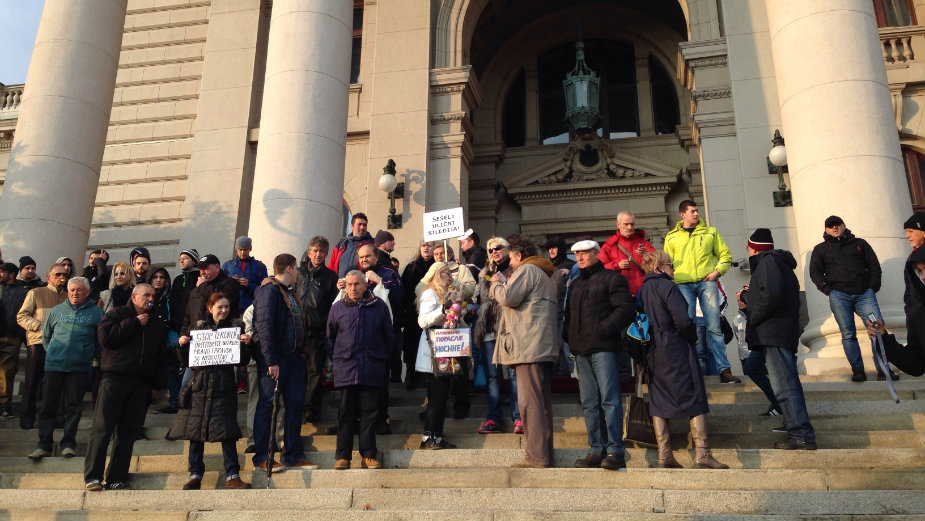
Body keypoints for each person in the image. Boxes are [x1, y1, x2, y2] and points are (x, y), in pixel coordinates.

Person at [639, 250, 728, 469]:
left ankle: (664, 455)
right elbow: (683, 319)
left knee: (659, 399)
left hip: (653, 349)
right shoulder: (668, 287)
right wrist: (692, 340)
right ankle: (702, 454)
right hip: (675, 345)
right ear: (660, 267)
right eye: (670, 265)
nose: (674, 269)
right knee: (695, 394)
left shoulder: (643, 289)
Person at [736, 228, 817, 450]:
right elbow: (768, 295)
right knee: (782, 382)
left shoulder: (768, 263)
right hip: (776, 332)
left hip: (774, 333)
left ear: (754, 248)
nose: (748, 251)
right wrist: (748, 298)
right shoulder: (776, 264)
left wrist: (753, 314)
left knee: (785, 385)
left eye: (749, 247)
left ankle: (801, 434)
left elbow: (769, 297)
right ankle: (796, 429)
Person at [84, 284, 169, 491]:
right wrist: (134, 323)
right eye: (146, 295)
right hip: (114, 379)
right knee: (102, 430)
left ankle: (116, 478)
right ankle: (93, 477)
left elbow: (161, 355)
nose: (150, 298)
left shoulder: (157, 322)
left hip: (140, 385)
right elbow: (106, 338)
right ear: (134, 297)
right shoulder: (117, 314)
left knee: (127, 434)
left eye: (153, 295)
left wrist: (156, 385)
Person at [168, 292, 253, 490]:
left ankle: (232, 474)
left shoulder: (235, 328)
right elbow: (186, 360)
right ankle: (195, 474)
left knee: (227, 433)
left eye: (226, 307)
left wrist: (246, 345)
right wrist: (182, 346)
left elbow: (242, 360)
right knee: (195, 433)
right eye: (219, 307)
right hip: (199, 387)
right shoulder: (197, 328)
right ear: (210, 308)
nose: (223, 311)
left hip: (223, 387)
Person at [489, 235, 559, 468]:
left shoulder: (527, 271)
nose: (510, 264)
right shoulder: (545, 274)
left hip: (529, 345)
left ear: (519, 255)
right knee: (541, 404)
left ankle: (536, 457)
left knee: (530, 404)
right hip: (539, 345)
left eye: (511, 258)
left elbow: (508, 297)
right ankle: (544, 455)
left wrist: (495, 284)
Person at [564, 240, 634, 470]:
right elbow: (568, 316)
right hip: (580, 350)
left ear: (596, 253)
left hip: (604, 348)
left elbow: (625, 310)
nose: (580, 257)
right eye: (576, 254)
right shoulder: (574, 284)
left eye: (584, 253)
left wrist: (603, 329)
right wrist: (569, 337)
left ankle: (615, 450)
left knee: (610, 400)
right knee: (589, 403)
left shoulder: (612, 278)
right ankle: (596, 449)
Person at [251, 253, 318, 471]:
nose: (299, 272)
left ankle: (294, 453)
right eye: (297, 268)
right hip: (276, 359)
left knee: (296, 403)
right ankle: (263, 455)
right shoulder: (269, 291)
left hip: (294, 358)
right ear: (289, 269)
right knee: (269, 405)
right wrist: (271, 360)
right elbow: (265, 326)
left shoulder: (288, 293)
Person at [809, 215, 895, 381]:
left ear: (844, 225)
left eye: (838, 224)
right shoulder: (820, 249)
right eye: (831, 226)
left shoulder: (859, 244)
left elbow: (874, 266)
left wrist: (872, 288)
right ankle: (858, 370)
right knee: (848, 334)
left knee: (877, 328)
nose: (835, 228)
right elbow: (815, 272)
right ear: (826, 229)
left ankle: (883, 369)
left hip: (864, 295)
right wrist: (828, 290)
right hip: (839, 296)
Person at [664, 200, 740, 384]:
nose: (697, 214)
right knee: (687, 327)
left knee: (714, 327)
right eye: (692, 211)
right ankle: (689, 369)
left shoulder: (710, 232)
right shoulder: (671, 237)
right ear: (682, 214)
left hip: (707, 282)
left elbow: (726, 256)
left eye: (697, 211)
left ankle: (724, 370)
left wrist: (717, 272)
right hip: (683, 284)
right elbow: (667, 264)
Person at [28, 277, 103, 460]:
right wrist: (55, 352)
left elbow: (100, 341)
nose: (75, 293)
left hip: (79, 367)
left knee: (74, 406)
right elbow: (46, 337)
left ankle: (68, 443)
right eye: (72, 290)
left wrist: (88, 355)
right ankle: (44, 444)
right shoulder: (57, 310)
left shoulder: (97, 313)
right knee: (48, 405)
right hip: (54, 364)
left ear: (87, 292)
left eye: (79, 290)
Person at [326, 270, 394, 469]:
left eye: (357, 284)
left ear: (365, 285)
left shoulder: (379, 306)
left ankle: (369, 454)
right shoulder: (337, 308)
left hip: (372, 368)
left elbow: (389, 337)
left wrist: (380, 360)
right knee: (345, 413)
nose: (353, 288)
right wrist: (339, 360)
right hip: (346, 369)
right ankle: (343, 456)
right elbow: (330, 339)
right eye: (349, 285)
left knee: (369, 414)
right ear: (345, 286)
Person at [352, 243, 404, 432]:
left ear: (375, 257)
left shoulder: (389, 273)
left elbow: (399, 296)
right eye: (361, 257)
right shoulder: (355, 276)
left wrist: (380, 280)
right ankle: (359, 419)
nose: (364, 260)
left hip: (383, 336)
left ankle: (381, 419)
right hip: (359, 338)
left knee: (381, 380)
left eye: (368, 256)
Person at [866, 212, 925, 377]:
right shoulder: (917, 317)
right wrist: (883, 338)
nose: (907, 236)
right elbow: (916, 364)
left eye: (911, 230)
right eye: (918, 271)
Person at [473, 237, 521, 435]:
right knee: (493, 375)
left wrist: (504, 281)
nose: (494, 251)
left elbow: (518, 295)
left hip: (508, 328)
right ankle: (494, 417)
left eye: (498, 248)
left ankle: (519, 417)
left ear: (507, 249)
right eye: (490, 249)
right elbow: (477, 296)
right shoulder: (485, 273)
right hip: (489, 330)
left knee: (513, 374)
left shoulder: (516, 270)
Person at [16, 263, 69, 429]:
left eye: (64, 275)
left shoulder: (68, 297)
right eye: (58, 274)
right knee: (32, 382)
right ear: (48, 277)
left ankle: (55, 418)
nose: (61, 277)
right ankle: (27, 418)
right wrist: (39, 327)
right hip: (37, 343)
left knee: (55, 383)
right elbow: (22, 316)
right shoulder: (36, 292)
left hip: (59, 345)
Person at [413, 262, 460, 449]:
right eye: (447, 273)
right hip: (433, 352)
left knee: (442, 396)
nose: (450, 276)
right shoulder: (430, 293)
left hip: (445, 350)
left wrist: (458, 312)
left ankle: (437, 436)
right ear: (437, 274)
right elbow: (423, 320)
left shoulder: (445, 294)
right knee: (436, 396)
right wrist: (443, 309)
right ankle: (428, 437)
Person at [295, 236, 339, 424]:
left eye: (321, 251)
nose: (318, 254)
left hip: (317, 331)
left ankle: (311, 409)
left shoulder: (331, 277)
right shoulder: (297, 274)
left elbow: (334, 305)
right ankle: (296, 405)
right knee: (297, 371)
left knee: (314, 371)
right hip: (296, 331)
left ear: (326, 254)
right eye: (315, 250)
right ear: (309, 251)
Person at [401, 240, 435, 388]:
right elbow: (404, 290)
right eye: (423, 245)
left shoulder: (438, 266)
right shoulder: (411, 267)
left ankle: (428, 375)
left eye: (430, 245)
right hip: (413, 313)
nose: (426, 248)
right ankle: (410, 372)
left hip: (433, 312)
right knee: (411, 343)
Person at [181, 254, 241, 337]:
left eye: (205, 268)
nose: (202, 272)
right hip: (195, 338)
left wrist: (202, 286)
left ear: (217, 267)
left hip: (221, 336)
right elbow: (187, 317)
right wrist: (184, 334)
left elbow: (220, 297)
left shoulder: (230, 284)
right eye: (200, 269)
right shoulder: (197, 289)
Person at [599, 211, 655, 297]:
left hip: (643, 292)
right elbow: (600, 268)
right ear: (618, 224)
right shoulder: (609, 245)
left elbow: (657, 263)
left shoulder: (643, 243)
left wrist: (646, 255)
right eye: (626, 224)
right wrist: (617, 265)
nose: (629, 227)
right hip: (620, 292)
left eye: (632, 224)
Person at [0, 263, 27, 419]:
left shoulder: (22, 292)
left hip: (11, 337)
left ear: (11, 274)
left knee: (6, 373)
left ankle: (4, 406)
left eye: (2, 272)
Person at [222, 236, 268, 315]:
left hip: (251, 310)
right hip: (230, 310)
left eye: (245, 249)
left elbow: (265, 290)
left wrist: (249, 284)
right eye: (240, 250)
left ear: (250, 249)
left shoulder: (260, 266)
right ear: (236, 250)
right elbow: (220, 286)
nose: (242, 253)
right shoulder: (227, 265)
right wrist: (231, 282)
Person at [329, 213, 374, 278]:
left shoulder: (372, 244)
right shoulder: (341, 244)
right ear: (352, 226)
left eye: (364, 225)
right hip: (340, 286)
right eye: (359, 224)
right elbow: (331, 267)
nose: (362, 227)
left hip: (362, 286)